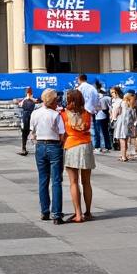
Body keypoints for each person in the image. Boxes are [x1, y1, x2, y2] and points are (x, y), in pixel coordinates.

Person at [30, 89, 66, 223]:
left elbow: (32, 131)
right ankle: (57, 214)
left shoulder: (35, 113)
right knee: (56, 180)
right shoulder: (56, 115)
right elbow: (62, 133)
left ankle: (44, 211)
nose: (57, 102)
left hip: (40, 145)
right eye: (56, 100)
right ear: (52, 101)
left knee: (43, 179)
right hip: (54, 145)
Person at [61, 88, 94, 223]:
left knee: (73, 182)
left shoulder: (63, 114)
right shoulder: (87, 114)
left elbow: (63, 132)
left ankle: (78, 214)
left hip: (71, 145)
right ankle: (88, 211)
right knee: (86, 182)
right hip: (86, 145)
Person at [74, 75, 104, 153]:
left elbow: (76, 100)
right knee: (93, 128)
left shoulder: (79, 88)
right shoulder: (92, 88)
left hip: (82, 111)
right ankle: (95, 146)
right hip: (91, 110)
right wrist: (95, 109)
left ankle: (86, 145)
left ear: (79, 79)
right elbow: (97, 99)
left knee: (83, 128)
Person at [113, 92, 137, 161]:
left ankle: (123, 156)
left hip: (121, 125)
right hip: (128, 126)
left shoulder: (122, 103)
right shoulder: (132, 108)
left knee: (122, 141)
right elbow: (134, 118)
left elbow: (116, 111)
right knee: (125, 141)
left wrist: (114, 118)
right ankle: (124, 155)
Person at [16, 86, 35, 156]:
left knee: (27, 132)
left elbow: (20, 104)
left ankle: (24, 148)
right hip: (27, 116)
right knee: (25, 133)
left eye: (27, 91)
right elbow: (19, 104)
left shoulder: (30, 99)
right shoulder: (26, 99)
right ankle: (24, 148)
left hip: (28, 116)